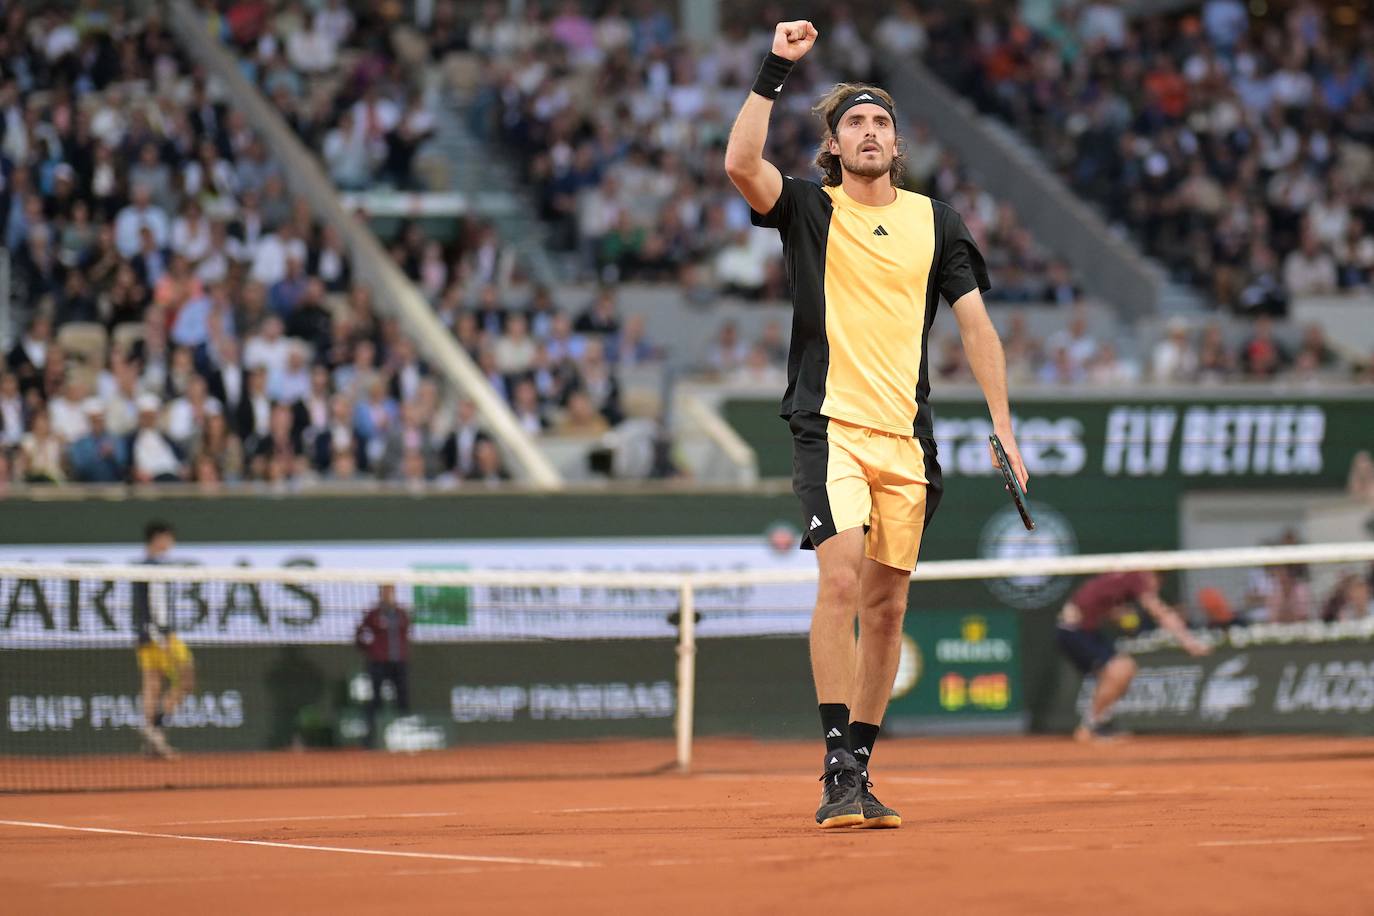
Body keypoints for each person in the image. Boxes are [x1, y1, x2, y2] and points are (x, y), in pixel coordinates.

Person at [725, 20, 1030, 830]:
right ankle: (833, 765)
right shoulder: (804, 208)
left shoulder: (939, 222)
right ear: (832, 144)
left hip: (908, 441)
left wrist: (1003, 422)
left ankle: (860, 765)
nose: (869, 131)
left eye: (881, 122)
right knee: (840, 582)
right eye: (854, 122)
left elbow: (976, 328)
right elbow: (738, 164)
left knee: (888, 609)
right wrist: (774, 68)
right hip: (829, 428)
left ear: (896, 146)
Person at [1058, 571, 1210, 742]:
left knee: (1121, 670)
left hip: (1082, 631)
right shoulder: (1139, 578)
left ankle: (1097, 724)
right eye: (1157, 585)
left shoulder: (1121, 582)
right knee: (1121, 669)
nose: (1154, 589)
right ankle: (1091, 726)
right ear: (1154, 577)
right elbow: (1159, 611)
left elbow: (1112, 609)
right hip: (1075, 631)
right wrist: (1189, 641)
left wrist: (1128, 620)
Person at [132, 520, 196, 758]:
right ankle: (156, 731)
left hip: (144, 635)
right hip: (161, 635)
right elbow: (156, 607)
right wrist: (162, 636)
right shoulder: (154, 569)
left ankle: (152, 736)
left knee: (153, 685)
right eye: (168, 538)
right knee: (186, 680)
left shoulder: (141, 567)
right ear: (158, 538)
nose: (171, 543)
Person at [355, 584, 411, 748]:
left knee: (402, 698)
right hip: (378, 663)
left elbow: (405, 633)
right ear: (380, 595)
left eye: (391, 593)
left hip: (398, 662)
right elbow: (360, 634)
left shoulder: (401, 614)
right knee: (376, 700)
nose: (388, 596)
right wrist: (371, 650)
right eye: (385, 593)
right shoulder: (373, 614)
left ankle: (404, 735)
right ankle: (371, 739)